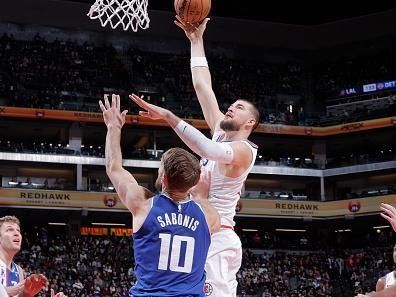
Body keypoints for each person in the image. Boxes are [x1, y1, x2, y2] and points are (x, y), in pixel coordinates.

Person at [99, 94, 220, 296]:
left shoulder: (143, 204)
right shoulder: (209, 215)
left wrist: (114, 127)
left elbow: (114, 168)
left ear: (163, 178)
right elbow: (199, 195)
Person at [0, 216, 66, 297]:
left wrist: (27, 294)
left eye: (18, 230)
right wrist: (5, 291)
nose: (17, 233)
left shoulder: (18, 270)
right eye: (10, 229)